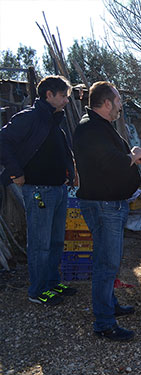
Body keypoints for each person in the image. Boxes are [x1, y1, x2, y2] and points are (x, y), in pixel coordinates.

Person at [73, 81, 141, 341]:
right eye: (118, 100)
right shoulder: (90, 129)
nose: (120, 105)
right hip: (104, 205)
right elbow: (110, 162)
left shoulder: (100, 128)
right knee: (106, 264)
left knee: (108, 261)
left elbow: (112, 157)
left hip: (110, 204)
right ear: (107, 103)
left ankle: (110, 305)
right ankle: (104, 322)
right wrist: (131, 157)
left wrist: (133, 154)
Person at [0, 75, 77, 306]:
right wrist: (16, 173)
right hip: (38, 191)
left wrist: (70, 175)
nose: (66, 101)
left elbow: (62, 152)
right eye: (63, 96)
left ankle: (52, 283)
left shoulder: (54, 121)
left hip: (58, 190)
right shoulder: (30, 118)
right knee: (40, 242)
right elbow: (2, 141)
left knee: (55, 241)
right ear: (49, 95)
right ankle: (37, 290)